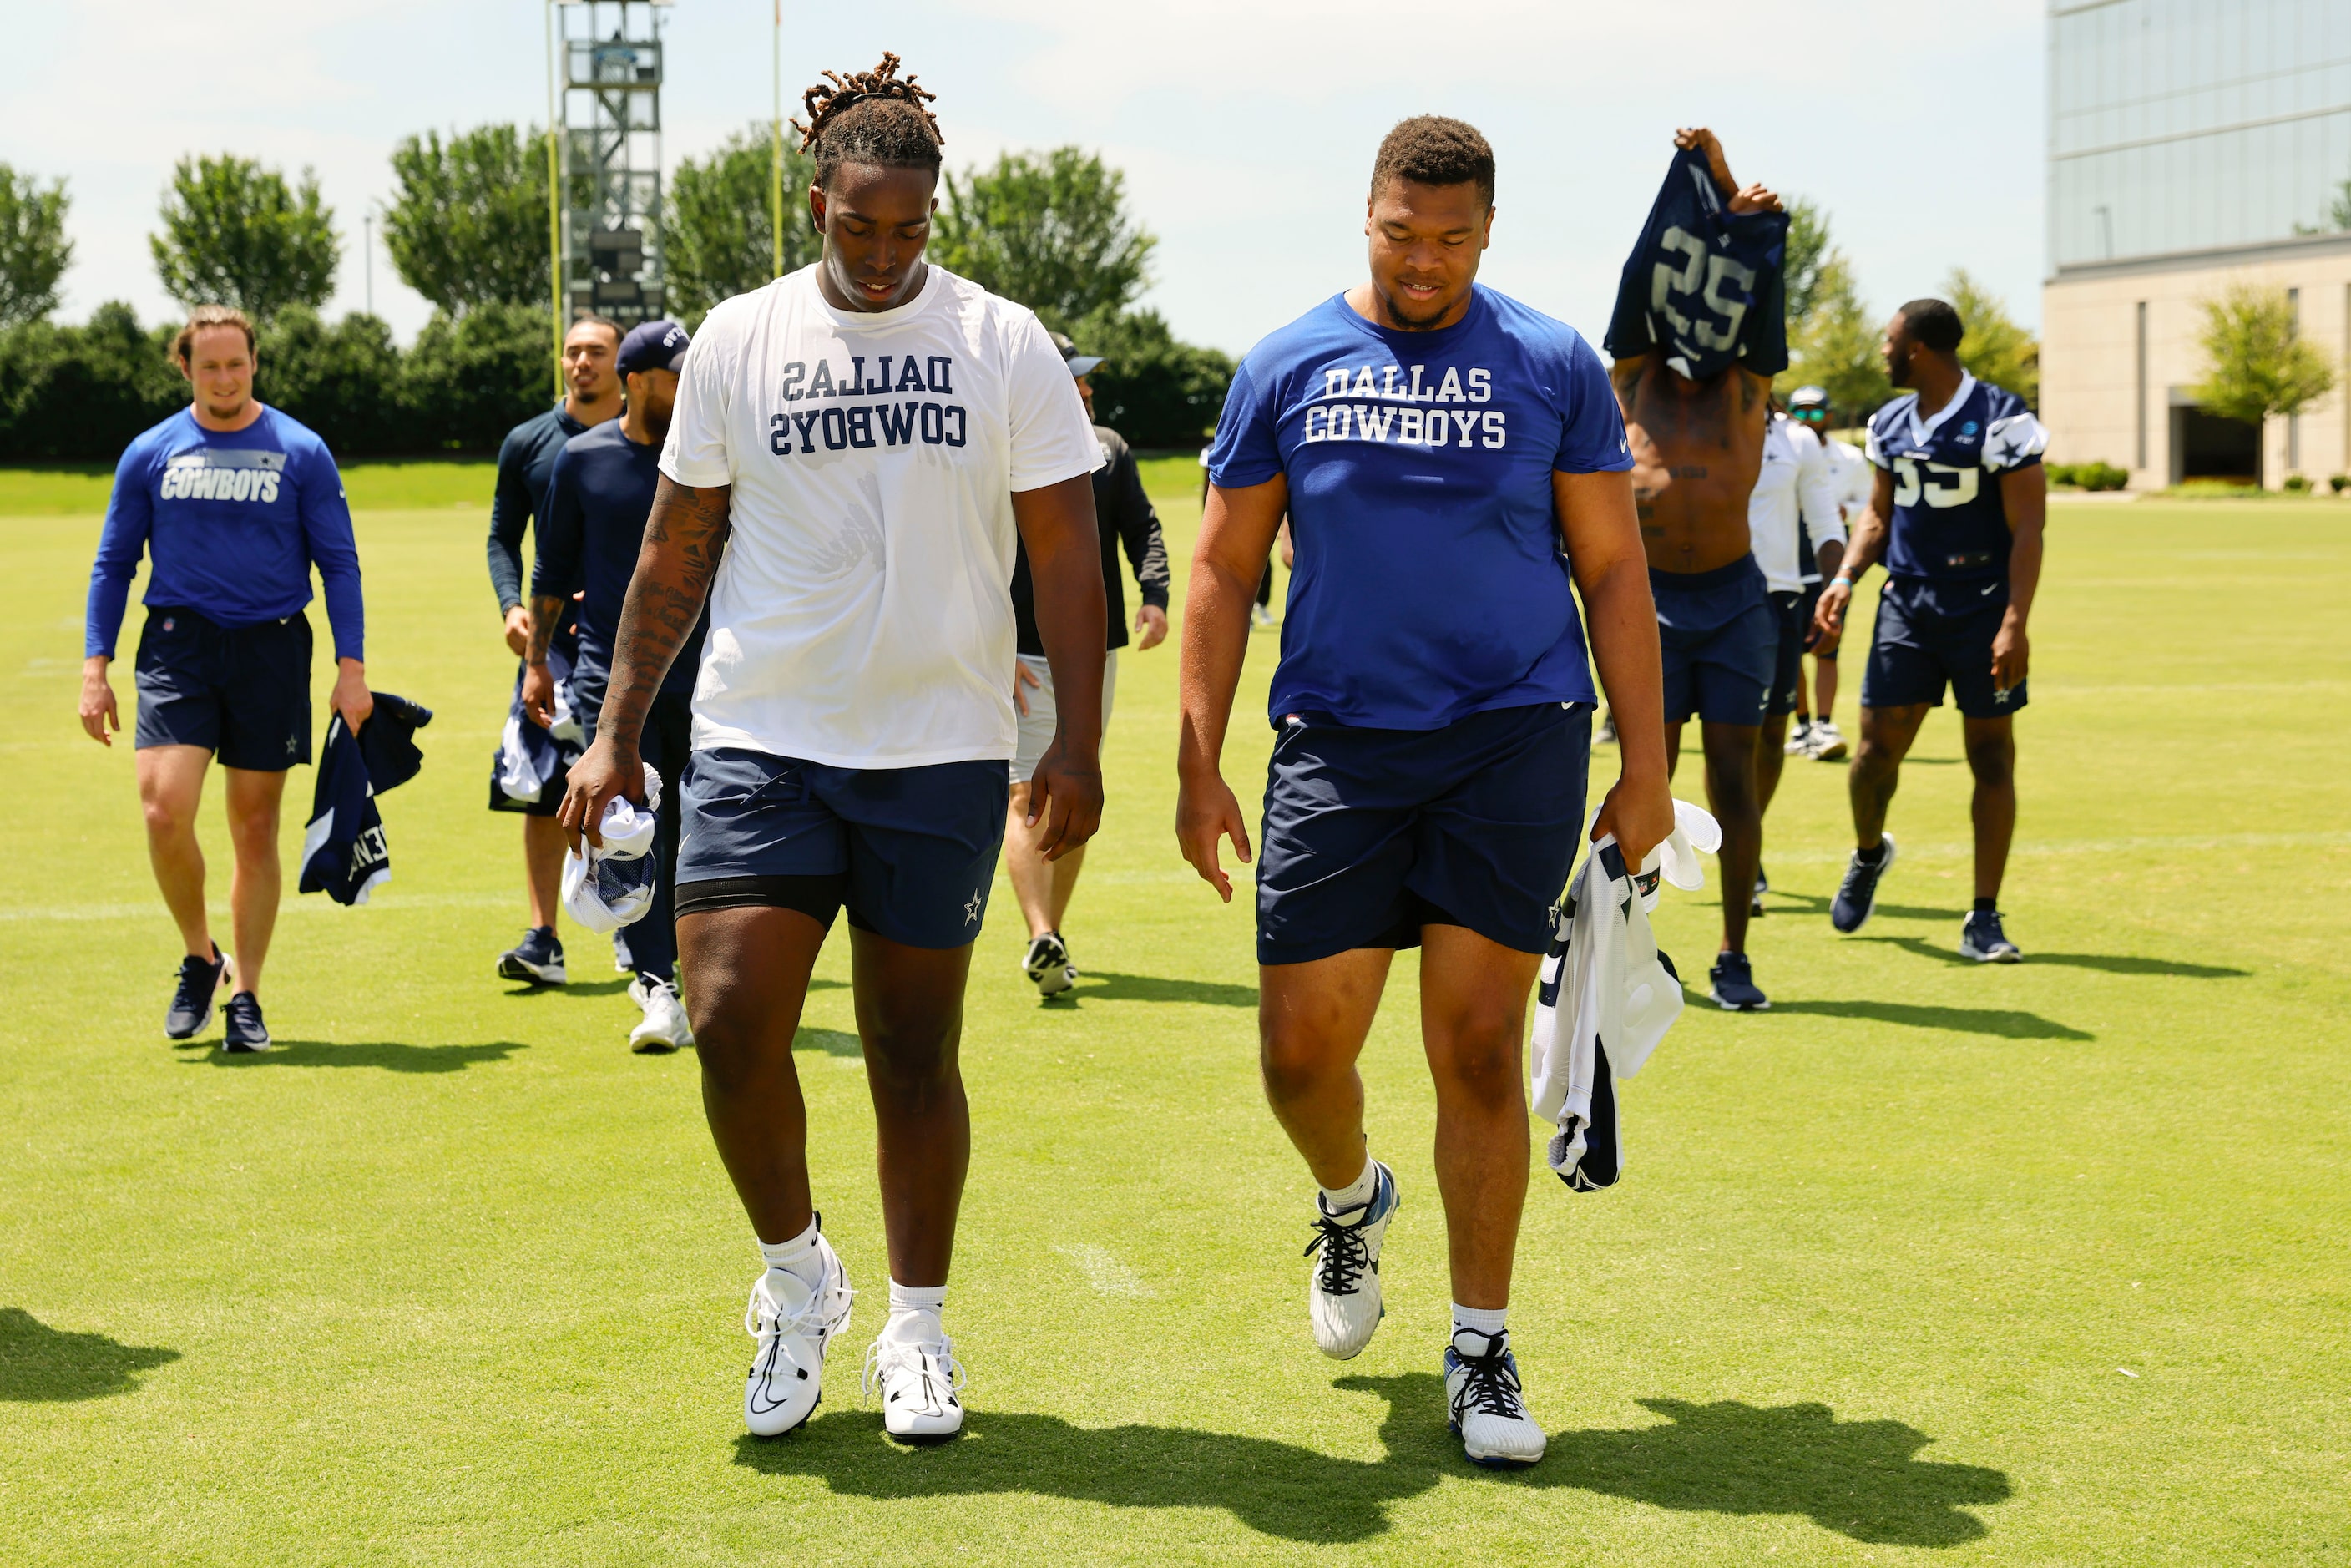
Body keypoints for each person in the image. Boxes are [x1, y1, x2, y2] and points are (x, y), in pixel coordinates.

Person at [559, 53, 1106, 1445]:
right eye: (858, 226)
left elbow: (1066, 553)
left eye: (908, 229)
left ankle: (917, 1328)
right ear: (817, 202)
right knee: (734, 1016)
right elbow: (675, 550)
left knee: (911, 1046)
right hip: (762, 731)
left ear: (934, 210)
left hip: (939, 742)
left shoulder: (1003, 341)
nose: (882, 254)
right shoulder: (741, 339)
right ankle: (798, 1276)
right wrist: (615, 731)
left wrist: (1079, 744)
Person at [1176, 116, 1671, 1471]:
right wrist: (1196, 751)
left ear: (1489, 230)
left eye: (1451, 239)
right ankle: (1352, 1198)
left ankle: (1480, 1340)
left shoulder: (1553, 362)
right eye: (1403, 234)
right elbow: (1221, 566)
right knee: (1298, 1056)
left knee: (1472, 1046)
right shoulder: (1285, 361)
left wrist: (1648, 760)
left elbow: (1614, 569)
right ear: (1368, 215)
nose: (1424, 263)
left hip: (1515, 733)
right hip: (1338, 742)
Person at [78, 304, 372, 1053]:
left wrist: (351, 668)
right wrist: (95, 667)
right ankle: (200, 955)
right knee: (162, 809)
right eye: (208, 365)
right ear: (185, 368)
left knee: (253, 826)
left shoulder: (302, 450)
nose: (224, 377)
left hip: (273, 650)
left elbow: (337, 562)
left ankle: (247, 995)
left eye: (236, 363)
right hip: (177, 646)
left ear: (253, 363)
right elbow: (114, 563)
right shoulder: (151, 452)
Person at [1606, 129, 1787, 1011]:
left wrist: (1721, 182)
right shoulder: (1631, 385)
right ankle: (1626, 945)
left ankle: (1731, 953)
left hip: (1731, 603)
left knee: (1733, 778)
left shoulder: (1744, 391)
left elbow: (1759, 287)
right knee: (1645, 772)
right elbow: (1644, 278)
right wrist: (1688, 186)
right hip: (1647, 609)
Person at [1814, 299, 2045, 961]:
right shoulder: (1888, 422)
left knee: (1992, 755)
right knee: (1873, 753)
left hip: (1981, 606)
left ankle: (1983, 916)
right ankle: (1867, 855)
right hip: (1908, 603)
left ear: (1917, 348)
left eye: (1889, 342)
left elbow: (2029, 526)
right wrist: (1843, 580)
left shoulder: (2004, 419)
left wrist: (2015, 621)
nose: (1882, 353)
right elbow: (1879, 517)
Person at [525, 320, 702, 1051]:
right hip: (610, 679)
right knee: (633, 834)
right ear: (635, 381)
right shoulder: (582, 459)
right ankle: (661, 989)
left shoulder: (708, 456)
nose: (687, 386)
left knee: (698, 833)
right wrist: (537, 661)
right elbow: (552, 575)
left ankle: (693, 976)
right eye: (673, 375)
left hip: (706, 677)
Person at [1006, 334, 1170, 997]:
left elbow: (1144, 526)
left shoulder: (1108, 448)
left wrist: (1154, 595)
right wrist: (985, 645)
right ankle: (1039, 933)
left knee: (1073, 792)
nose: (1087, 389)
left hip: (1093, 651)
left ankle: (1052, 938)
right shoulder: (997, 446)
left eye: (1086, 380)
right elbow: (963, 548)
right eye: (1074, 379)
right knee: (1023, 794)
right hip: (1014, 653)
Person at [487, 315, 624, 986]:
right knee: (541, 790)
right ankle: (544, 939)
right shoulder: (528, 441)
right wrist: (512, 605)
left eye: (596, 351)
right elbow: (501, 538)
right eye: (573, 352)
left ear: (621, 360)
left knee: (638, 784)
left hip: (628, 639)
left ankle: (641, 944)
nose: (582, 362)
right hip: (552, 645)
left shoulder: (655, 435)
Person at [1747, 399, 1845, 915]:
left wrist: (1835, 588)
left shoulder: (1794, 438)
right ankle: (1635, 872)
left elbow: (1826, 522)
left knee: (1768, 735)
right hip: (1695, 599)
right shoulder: (1686, 423)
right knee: (1700, 740)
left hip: (1779, 599)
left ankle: (1746, 848)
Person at [1786, 384, 1868, 761]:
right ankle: (1802, 726)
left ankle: (1823, 723)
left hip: (1830, 563)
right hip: (1787, 561)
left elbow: (1870, 506)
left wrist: (1842, 513)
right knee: (1792, 650)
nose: (1807, 419)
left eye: (1815, 413)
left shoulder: (1850, 458)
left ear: (1829, 416)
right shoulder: (1779, 451)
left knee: (1827, 647)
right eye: (1799, 411)